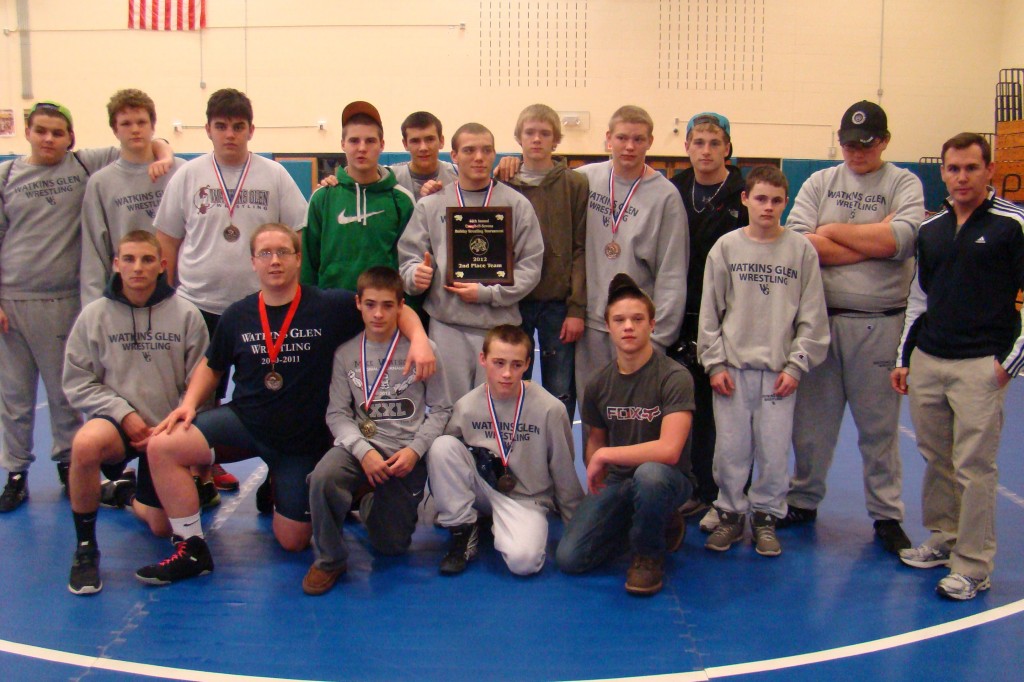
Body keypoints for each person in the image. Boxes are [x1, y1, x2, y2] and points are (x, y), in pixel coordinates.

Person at [134, 223, 435, 585]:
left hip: (299, 442)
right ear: (253, 261)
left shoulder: (329, 306)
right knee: (163, 445)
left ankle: (302, 486)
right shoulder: (237, 314)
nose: (274, 261)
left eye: (282, 252)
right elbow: (212, 366)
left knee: (292, 541)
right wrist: (190, 403)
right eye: (265, 253)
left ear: (297, 258)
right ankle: (192, 548)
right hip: (245, 423)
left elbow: (390, 305)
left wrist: (419, 339)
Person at [0, 100, 173, 512]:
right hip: (12, 298)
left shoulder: (83, 164)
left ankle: (69, 463)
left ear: (71, 137)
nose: (49, 139)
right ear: (27, 132)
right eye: (41, 131)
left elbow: (143, 141)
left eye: (57, 132)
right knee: (14, 393)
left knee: (64, 390)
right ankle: (16, 472)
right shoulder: (7, 175)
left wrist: (167, 154)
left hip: (62, 298)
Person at [783, 100, 924, 555]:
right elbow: (801, 245)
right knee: (811, 426)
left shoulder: (903, 182)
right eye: (848, 144)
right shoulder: (820, 181)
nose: (856, 152)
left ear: (884, 141)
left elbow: (902, 239)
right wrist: (872, 238)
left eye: (866, 144)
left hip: (879, 326)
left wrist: (831, 230)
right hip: (821, 323)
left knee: (879, 429)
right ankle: (803, 499)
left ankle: (886, 514)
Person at [154, 87, 308, 493]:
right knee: (200, 393)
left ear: (251, 130)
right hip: (198, 302)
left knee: (269, 391)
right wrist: (166, 295)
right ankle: (202, 466)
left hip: (260, 307)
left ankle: (276, 468)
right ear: (207, 129)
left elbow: (297, 234)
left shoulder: (274, 175)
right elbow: (167, 239)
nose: (230, 134)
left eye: (238, 127)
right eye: (221, 126)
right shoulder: (188, 175)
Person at [892, 133, 1024, 600]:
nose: (962, 177)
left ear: (989, 170)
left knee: (974, 467)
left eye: (971, 168)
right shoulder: (932, 229)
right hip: (930, 360)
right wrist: (905, 356)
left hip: (981, 366)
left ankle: (973, 565)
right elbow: (919, 298)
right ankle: (944, 538)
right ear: (943, 173)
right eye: (953, 169)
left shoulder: (1013, 225)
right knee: (937, 459)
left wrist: (1009, 363)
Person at [63, 231, 208, 595]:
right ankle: (85, 549)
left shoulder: (187, 315)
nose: (137, 268)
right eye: (128, 259)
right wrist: (123, 413)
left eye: (147, 259)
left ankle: (125, 494)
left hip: (166, 432)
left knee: (161, 527)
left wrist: (170, 429)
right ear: (116, 264)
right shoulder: (94, 316)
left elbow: (199, 384)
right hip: (117, 425)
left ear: (162, 266)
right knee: (84, 445)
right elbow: (78, 381)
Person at [697, 166, 829, 557]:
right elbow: (710, 313)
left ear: (786, 203)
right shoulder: (726, 248)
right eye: (760, 199)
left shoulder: (801, 250)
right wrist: (714, 363)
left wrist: (796, 365)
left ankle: (766, 517)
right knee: (730, 449)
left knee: (773, 451)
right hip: (732, 370)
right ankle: (730, 513)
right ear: (745, 199)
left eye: (775, 200)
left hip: (778, 374)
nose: (767, 207)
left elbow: (812, 315)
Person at [304, 266, 451, 595]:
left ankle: (368, 500)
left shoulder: (424, 350)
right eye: (370, 304)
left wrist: (415, 450)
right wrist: (362, 451)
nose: (378, 314)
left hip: (404, 455)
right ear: (358, 303)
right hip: (361, 449)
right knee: (324, 477)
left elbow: (442, 409)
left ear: (401, 306)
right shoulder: (346, 354)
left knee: (391, 546)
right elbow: (337, 413)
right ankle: (330, 559)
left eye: (387, 305)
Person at [556, 274, 693, 596]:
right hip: (620, 480)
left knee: (650, 477)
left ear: (652, 325)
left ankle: (648, 555)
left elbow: (670, 450)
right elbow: (596, 440)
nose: (628, 326)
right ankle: (652, 521)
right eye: (619, 320)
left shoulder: (674, 376)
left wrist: (606, 455)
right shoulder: (598, 383)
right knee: (570, 558)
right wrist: (597, 475)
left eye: (637, 319)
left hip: (667, 477)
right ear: (608, 326)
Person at [397, 122, 544, 401]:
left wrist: (489, 293)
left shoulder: (517, 205)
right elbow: (408, 258)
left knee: (496, 410)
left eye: (486, 150)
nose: (479, 157)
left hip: (500, 327)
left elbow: (531, 266)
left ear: (495, 154)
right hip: (447, 326)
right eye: (469, 150)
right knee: (448, 410)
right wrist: (415, 275)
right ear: (453, 155)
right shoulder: (431, 204)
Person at [427, 324, 582, 576]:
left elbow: (563, 470)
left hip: (526, 498)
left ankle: (500, 524)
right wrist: (449, 503)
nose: (507, 373)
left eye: (516, 364)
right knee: (442, 446)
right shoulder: (466, 406)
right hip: (483, 489)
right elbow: (449, 462)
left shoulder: (550, 409)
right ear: (483, 359)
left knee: (525, 563)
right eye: (498, 363)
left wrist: (577, 527)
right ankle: (463, 527)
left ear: (527, 364)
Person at [572, 106, 688, 426]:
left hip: (637, 329)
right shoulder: (584, 179)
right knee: (594, 417)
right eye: (622, 138)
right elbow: (540, 186)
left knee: (636, 419)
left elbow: (672, 272)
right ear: (608, 138)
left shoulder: (666, 196)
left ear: (650, 141)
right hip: (591, 325)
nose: (629, 146)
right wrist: (513, 166)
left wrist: (659, 336)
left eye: (638, 139)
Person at [668, 112, 748, 525]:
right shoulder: (672, 189)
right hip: (679, 314)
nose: (706, 150)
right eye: (698, 142)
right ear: (686, 146)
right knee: (684, 406)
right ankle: (689, 486)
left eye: (715, 143)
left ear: (727, 148)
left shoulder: (744, 193)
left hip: (728, 316)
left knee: (724, 411)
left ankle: (725, 493)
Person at [504, 104, 588, 419]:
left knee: (560, 389)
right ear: (518, 137)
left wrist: (576, 308)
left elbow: (580, 248)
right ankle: (514, 445)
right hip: (515, 300)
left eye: (545, 133)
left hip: (558, 303)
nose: (537, 139)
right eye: (530, 133)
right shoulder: (504, 180)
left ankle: (557, 448)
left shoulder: (575, 184)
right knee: (512, 383)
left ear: (556, 139)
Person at [81, 89, 187, 305]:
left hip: (177, 293)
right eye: (126, 124)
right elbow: (94, 251)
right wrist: (93, 308)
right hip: (126, 294)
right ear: (115, 130)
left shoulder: (182, 172)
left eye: (141, 122)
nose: (135, 129)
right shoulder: (101, 183)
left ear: (153, 126)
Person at [301, 101, 415, 292]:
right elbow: (308, 263)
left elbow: (408, 263)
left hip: (383, 306)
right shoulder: (322, 197)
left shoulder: (402, 200)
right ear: (343, 144)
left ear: (382, 145)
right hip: (331, 304)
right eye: (354, 141)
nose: (362, 148)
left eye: (370, 141)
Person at [390, 111, 458, 200]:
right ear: (405, 144)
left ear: (441, 141)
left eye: (430, 139)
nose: (423, 148)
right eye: (415, 141)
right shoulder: (390, 177)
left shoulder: (459, 175)